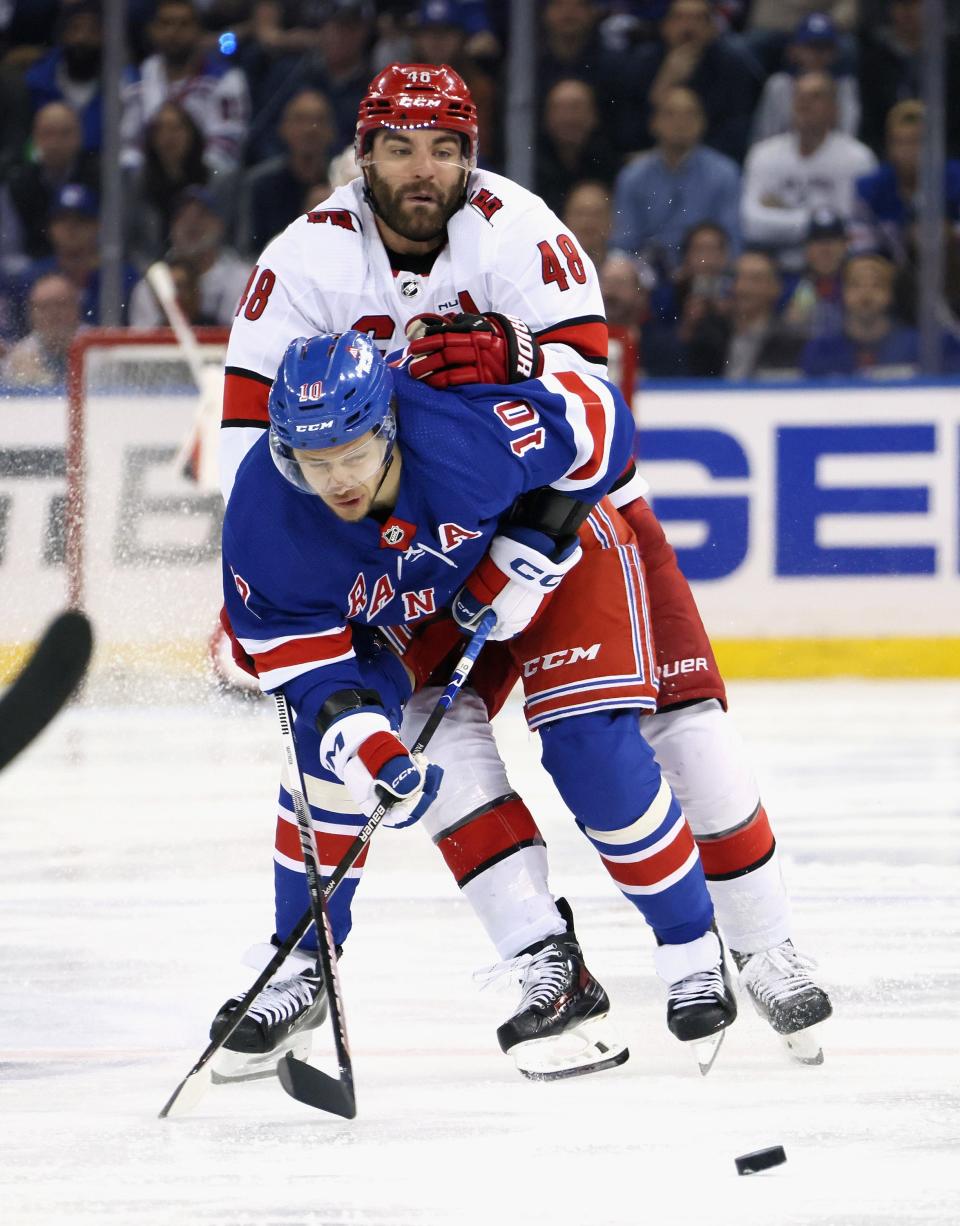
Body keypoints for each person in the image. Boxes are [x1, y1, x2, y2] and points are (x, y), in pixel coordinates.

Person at [213, 63, 831, 1079]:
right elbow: (258, 458)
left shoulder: (522, 231)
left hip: (563, 511)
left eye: (445, 147)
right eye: (400, 146)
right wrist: (267, 600)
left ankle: (760, 940)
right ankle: (529, 959)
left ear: (472, 153)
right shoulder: (301, 263)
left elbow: (601, 431)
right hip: (402, 535)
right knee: (389, 736)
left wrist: (527, 399)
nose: (423, 169)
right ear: (362, 152)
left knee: (664, 726)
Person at [214, 328, 738, 1081]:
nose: (337, 481)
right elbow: (310, 673)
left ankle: (691, 951)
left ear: (390, 425)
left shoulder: (460, 433)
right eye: (313, 462)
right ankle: (304, 964)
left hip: (543, 562)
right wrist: (368, 751)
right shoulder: (266, 518)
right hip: (412, 605)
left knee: (589, 751)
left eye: (354, 454)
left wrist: (536, 536)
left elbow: (602, 419)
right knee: (321, 757)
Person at [741, 71, 876, 272]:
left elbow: (854, 227)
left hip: (839, 272)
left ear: (834, 109)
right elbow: (752, 224)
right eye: (799, 96)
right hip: (778, 269)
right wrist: (821, 222)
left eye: (816, 96)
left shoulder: (857, 158)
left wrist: (784, 210)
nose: (804, 103)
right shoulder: (764, 154)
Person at [610, 85, 740, 274]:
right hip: (646, 275)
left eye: (690, 114)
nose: (680, 122)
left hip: (705, 272)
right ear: (654, 123)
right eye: (670, 114)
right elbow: (624, 241)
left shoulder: (725, 173)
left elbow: (731, 241)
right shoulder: (632, 176)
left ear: (702, 122)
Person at [120, 0, 251, 179]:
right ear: (152, 30)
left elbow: (226, 146)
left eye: (184, 24)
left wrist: (190, 178)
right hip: (148, 184)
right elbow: (129, 143)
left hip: (205, 181)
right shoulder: (136, 79)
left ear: (199, 31)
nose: (174, 32)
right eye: (166, 23)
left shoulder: (226, 79)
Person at [0, 272, 80, 388]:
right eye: (44, 307)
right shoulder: (16, 360)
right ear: (31, 313)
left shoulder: (98, 348)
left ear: (76, 307)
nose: (54, 314)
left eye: (60, 304)